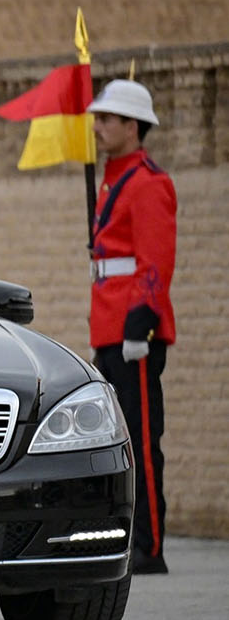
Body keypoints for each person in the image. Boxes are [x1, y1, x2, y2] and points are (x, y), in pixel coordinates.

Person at [87, 79, 176, 576]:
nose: (98, 126)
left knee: (141, 440)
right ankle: (130, 538)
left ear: (131, 125)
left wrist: (139, 325)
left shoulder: (148, 182)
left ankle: (151, 545)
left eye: (107, 119)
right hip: (110, 326)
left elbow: (156, 261)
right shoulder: (114, 178)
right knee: (119, 439)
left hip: (132, 332)